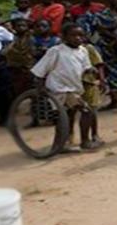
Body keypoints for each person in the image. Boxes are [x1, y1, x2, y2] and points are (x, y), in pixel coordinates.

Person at [30, 23, 99, 151]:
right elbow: (40, 71)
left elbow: (85, 66)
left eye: (81, 35)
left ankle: (60, 144)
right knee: (86, 111)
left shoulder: (83, 51)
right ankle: (85, 141)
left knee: (66, 117)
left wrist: (91, 70)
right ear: (64, 37)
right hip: (60, 89)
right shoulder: (56, 51)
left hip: (74, 88)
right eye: (73, 35)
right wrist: (40, 87)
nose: (78, 38)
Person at [80, 37, 107, 148]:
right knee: (71, 112)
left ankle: (95, 134)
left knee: (92, 110)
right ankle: (69, 135)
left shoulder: (88, 48)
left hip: (89, 82)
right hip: (73, 83)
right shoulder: (61, 50)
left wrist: (102, 80)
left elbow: (99, 64)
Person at [4, 17, 36, 98]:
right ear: (14, 27)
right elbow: (5, 52)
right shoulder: (11, 38)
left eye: (23, 25)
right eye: (18, 26)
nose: (21, 27)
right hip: (13, 67)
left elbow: (32, 53)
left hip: (26, 68)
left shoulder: (31, 38)